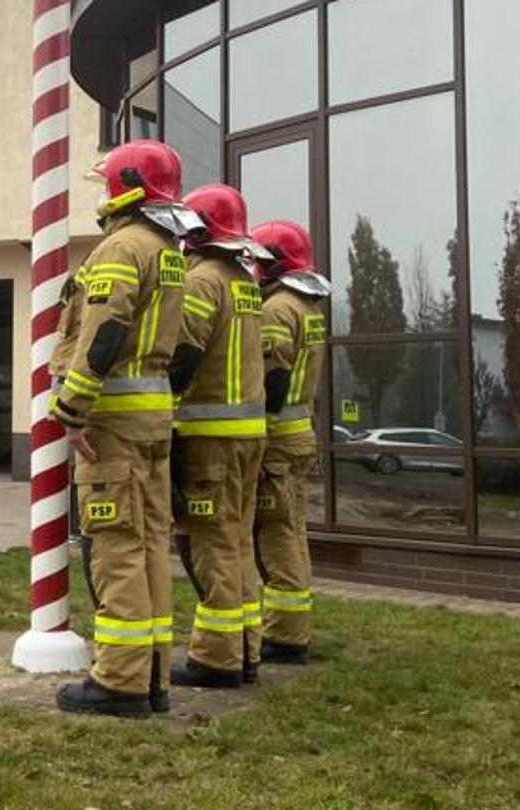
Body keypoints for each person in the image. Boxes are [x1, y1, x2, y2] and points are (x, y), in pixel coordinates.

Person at [49, 139, 191, 718]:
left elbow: (104, 334)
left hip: (113, 421)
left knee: (116, 548)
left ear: (125, 186)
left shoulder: (121, 247)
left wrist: (72, 409)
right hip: (152, 419)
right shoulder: (168, 249)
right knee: (151, 543)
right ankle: (151, 675)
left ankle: (122, 681)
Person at [168, 183, 269, 690]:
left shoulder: (203, 280)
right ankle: (246, 649)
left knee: (208, 544)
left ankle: (216, 658)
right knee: (237, 541)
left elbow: (183, 352)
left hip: (210, 437)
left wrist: (160, 403)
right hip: (248, 436)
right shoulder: (244, 281)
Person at [249, 220, 329, 666]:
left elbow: (273, 379)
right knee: (293, 531)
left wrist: (256, 440)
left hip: (277, 439)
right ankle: (293, 625)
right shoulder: (307, 307)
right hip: (298, 435)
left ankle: (282, 634)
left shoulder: (278, 309)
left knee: (276, 535)